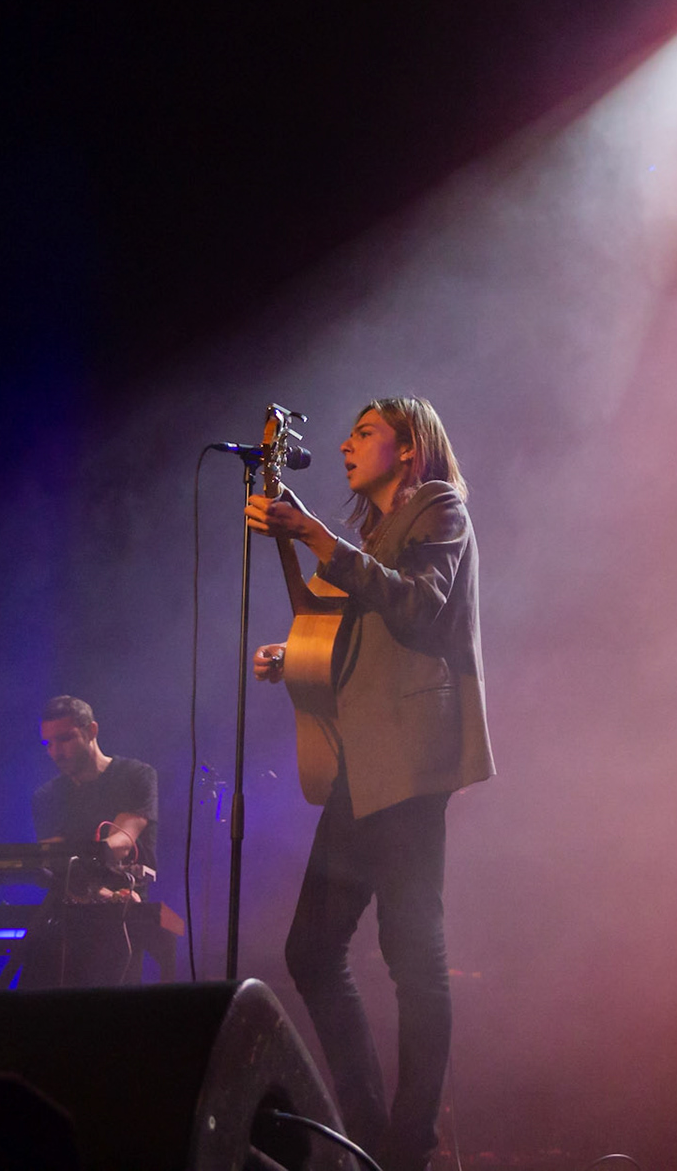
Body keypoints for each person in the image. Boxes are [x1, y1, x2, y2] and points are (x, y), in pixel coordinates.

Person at [248, 396, 494, 1171]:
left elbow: (417, 604)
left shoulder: (440, 508)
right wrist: (295, 658)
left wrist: (313, 535)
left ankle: (408, 1144)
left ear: (410, 449)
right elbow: (364, 636)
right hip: (364, 759)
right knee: (314, 951)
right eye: (347, 432)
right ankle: (370, 1137)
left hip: (411, 758)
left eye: (364, 434)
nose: (348, 446)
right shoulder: (373, 533)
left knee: (411, 949)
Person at [27, 695, 159, 984]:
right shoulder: (46, 797)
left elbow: (120, 845)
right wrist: (98, 893)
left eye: (64, 739)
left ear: (91, 731)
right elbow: (57, 866)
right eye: (48, 744)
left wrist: (108, 893)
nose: (55, 752)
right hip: (67, 916)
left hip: (125, 916)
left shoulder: (135, 776)